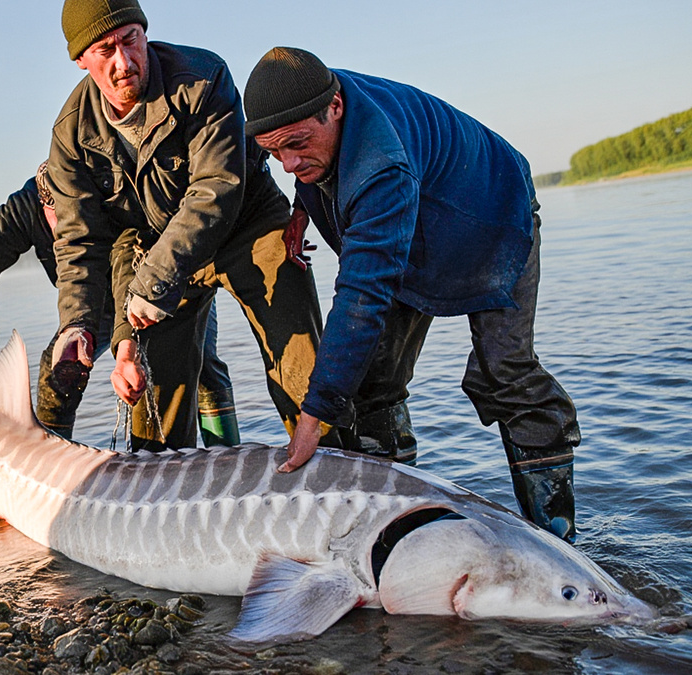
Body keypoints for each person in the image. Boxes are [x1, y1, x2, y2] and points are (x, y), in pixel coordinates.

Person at [243, 47, 581, 541]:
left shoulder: (380, 167)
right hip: (416, 212)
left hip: (489, 211)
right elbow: (306, 156)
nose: (289, 163)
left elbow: (361, 296)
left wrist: (313, 416)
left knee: (505, 370)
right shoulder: (314, 103)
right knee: (371, 383)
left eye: (297, 145)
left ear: (335, 105)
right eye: (275, 154)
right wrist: (302, 206)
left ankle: (557, 536)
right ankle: (391, 530)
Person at [46, 0, 324, 451]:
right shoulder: (71, 133)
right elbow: (81, 241)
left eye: (130, 40)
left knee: (303, 370)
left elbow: (217, 187)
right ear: (81, 60)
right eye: (104, 50)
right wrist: (76, 325)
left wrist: (153, 279)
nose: (123, 62)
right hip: (160, 251)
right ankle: (162, 501)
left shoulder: (202, 76)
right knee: (154, 406)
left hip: (247, 225)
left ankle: (337, 472)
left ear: (144, 33)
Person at [0, 163, 240, 445]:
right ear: (44, 204)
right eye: (62, 221)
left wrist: (126, 351)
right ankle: (49, 461)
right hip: (90, 308)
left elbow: (129, 276)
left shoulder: (111, 205)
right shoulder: (24, 207)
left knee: (198, 366)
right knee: (57, 371)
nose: (73, 229)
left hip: (156, 292)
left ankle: (224, 455)